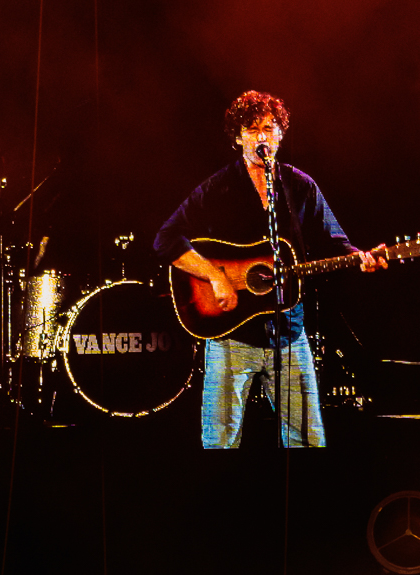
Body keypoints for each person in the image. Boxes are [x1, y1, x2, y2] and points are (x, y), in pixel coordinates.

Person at [154, 90, 385, 448]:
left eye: (269, 128)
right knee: (219, 442)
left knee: (307, 441)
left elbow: (335, 241)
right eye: (252, 129)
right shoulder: (219, 187)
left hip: (289, 333)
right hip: (231, 335)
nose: (262, 136)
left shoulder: (299, 186)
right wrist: (216, 277)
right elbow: (166, 239)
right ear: (238, 137)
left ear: (280, 134)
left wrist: (361, 256)